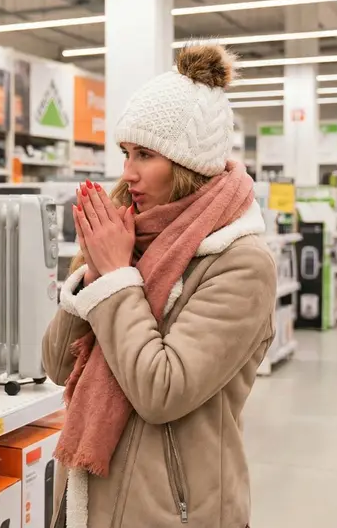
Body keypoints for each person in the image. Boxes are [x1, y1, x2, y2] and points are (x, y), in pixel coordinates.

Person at [42, 44, 276, 528]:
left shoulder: (241, 263)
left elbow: (161, 391)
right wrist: (92, 270)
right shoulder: (132, 234)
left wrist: (117, 276)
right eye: (126, 153)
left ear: (187, 164)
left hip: (174, 512)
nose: (128, 172)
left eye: (145, 155)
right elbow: (57, 365)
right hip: (86, 499)